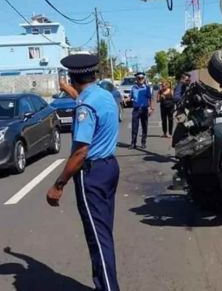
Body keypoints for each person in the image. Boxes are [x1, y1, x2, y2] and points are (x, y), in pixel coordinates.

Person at [46, 54, 120, 291]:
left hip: (92, 173)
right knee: (104, 233)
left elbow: (79, 153)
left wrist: (58, 185)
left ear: (72, 75)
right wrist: (68, 90)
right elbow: (83, 100)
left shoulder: (85, 106)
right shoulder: (103, 95)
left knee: (98, 240)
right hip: (109, 168)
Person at [129, 72, 153, 149]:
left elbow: (150, 98)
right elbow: (131, 97)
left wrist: (150, 108)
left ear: (144, 79)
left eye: (142, 78)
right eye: (139, 78)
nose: (140, 80)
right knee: (134, 127)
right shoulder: (133, 88)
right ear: (136, 79)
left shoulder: (147, 88)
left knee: (144, 126)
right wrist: (126, 99)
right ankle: (133, 143)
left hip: (144, 109)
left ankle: (143, 142)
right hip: (136, 110)